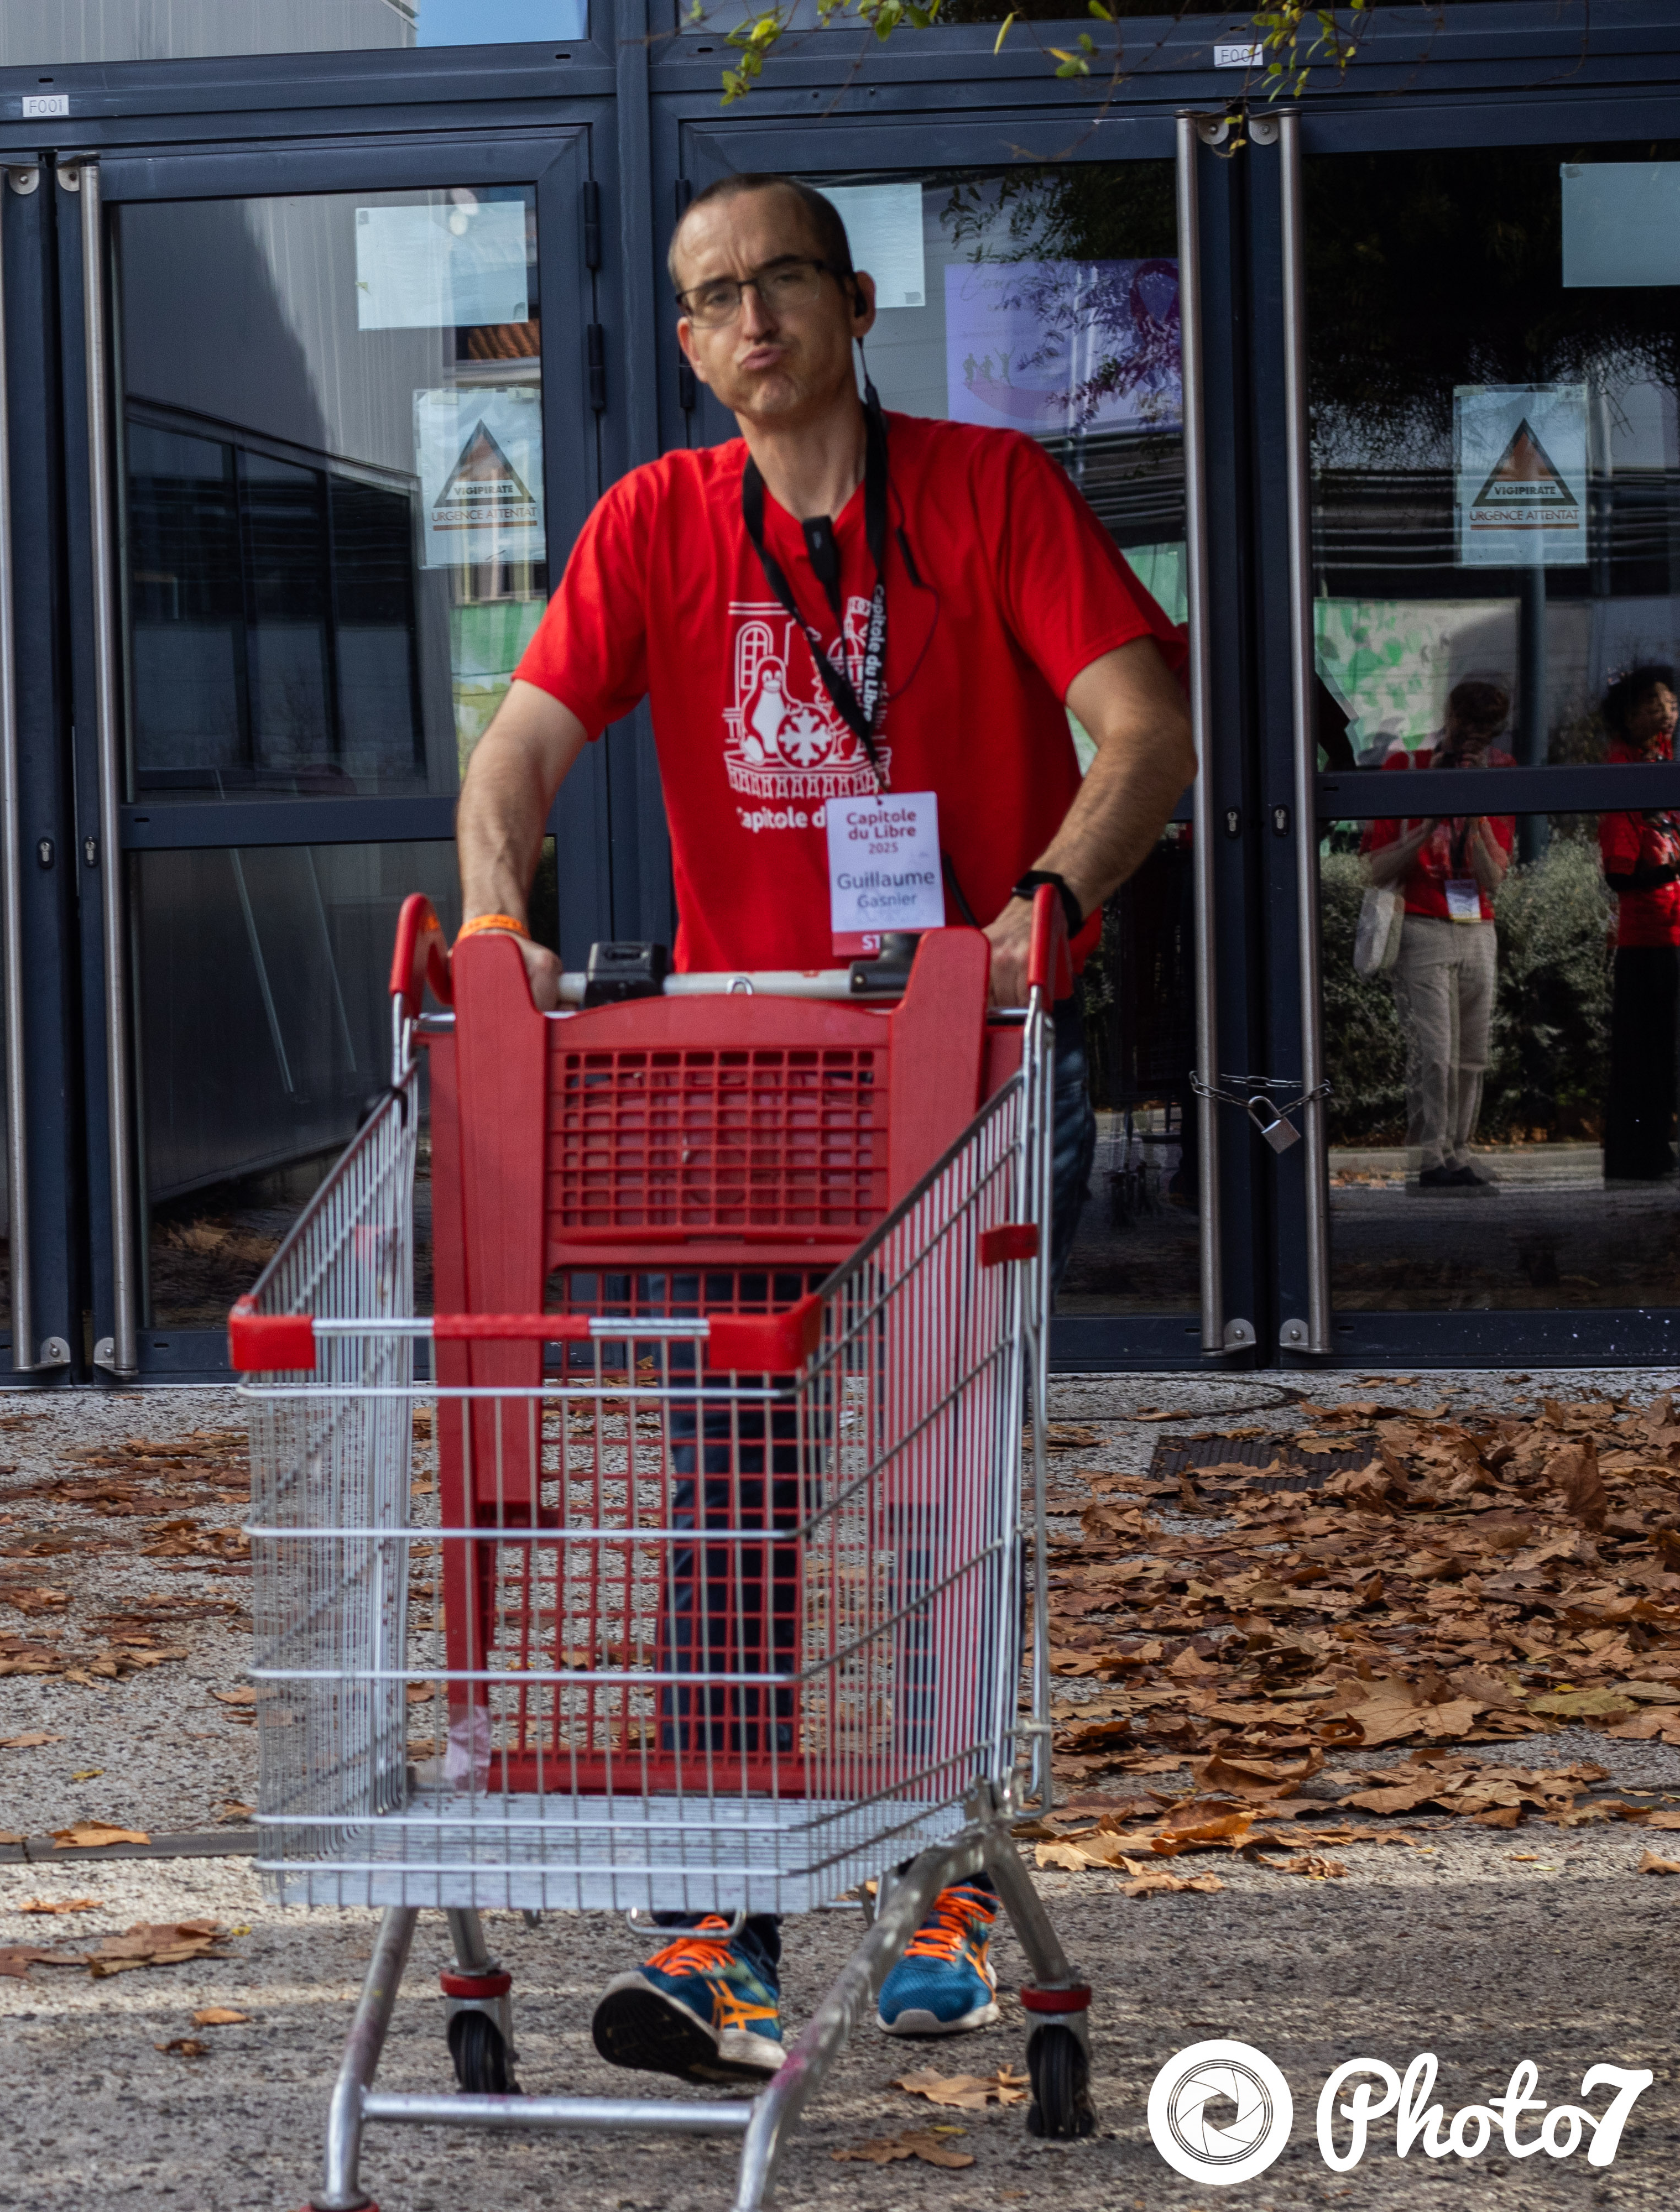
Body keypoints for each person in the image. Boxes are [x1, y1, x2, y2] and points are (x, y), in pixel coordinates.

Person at [452, 174, 1194, 2088]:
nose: (749, 317)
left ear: (856, 305)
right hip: (754, 1082)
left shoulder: (988, 494)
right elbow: (518, 747)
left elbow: (1141, 727)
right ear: (688, 342)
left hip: (965, 1052)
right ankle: (721, 1926)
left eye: (780, 278)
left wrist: (1041, 907)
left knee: (947, 1476)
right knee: (728, 1481)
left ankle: (944, 1878)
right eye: (712, 295)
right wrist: (495, 912)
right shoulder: (655, 521)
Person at [1360, 680, 1516, 1192]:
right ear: (1448, 719)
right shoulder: (1404, 769)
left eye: (1484, 734)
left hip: (1477, 924)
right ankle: (1430, 1156)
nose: (1471, 742)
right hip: (1423, 922)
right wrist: (1429, 818)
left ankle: (1459, 1150)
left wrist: (1475, 808)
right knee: (1435, 1051)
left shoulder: (1502, 774)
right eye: (1465, 729)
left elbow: (1493, 877)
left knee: (1472, 1051)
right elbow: (1375, 868)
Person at [1599, 664, 1680, 1185]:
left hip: (1672, 929)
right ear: (1628, 716)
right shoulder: (1623, 771)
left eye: (1671, 703)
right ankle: (1639, 1153)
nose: (1666, 713)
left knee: (1663, 1050)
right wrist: (1671, 870)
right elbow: (1620, 872)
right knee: (1644, 1051)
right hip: (1647, 935)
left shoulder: (1665, 764)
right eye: (1654, 705)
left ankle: (1657, 1147)